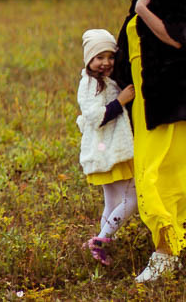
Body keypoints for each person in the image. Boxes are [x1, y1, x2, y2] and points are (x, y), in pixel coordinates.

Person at [112, 0, 186, 282]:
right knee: (164, 173)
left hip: (169, 97)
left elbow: (177, 38)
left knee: (154, 175)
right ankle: (171, 245)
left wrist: (143, 11)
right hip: (144, 100)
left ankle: (166, 253)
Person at [75, 28, 136, 266]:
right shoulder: (90, 83)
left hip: (106, 150)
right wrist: (120, 102)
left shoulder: (105, 81)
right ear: (89, 59)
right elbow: (94, 115)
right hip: (108, 152)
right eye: (99, 57)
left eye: (110, 57)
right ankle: (101, 239)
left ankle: (100, 247)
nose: (106, 63)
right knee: (132, 199)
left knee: (111, 203)